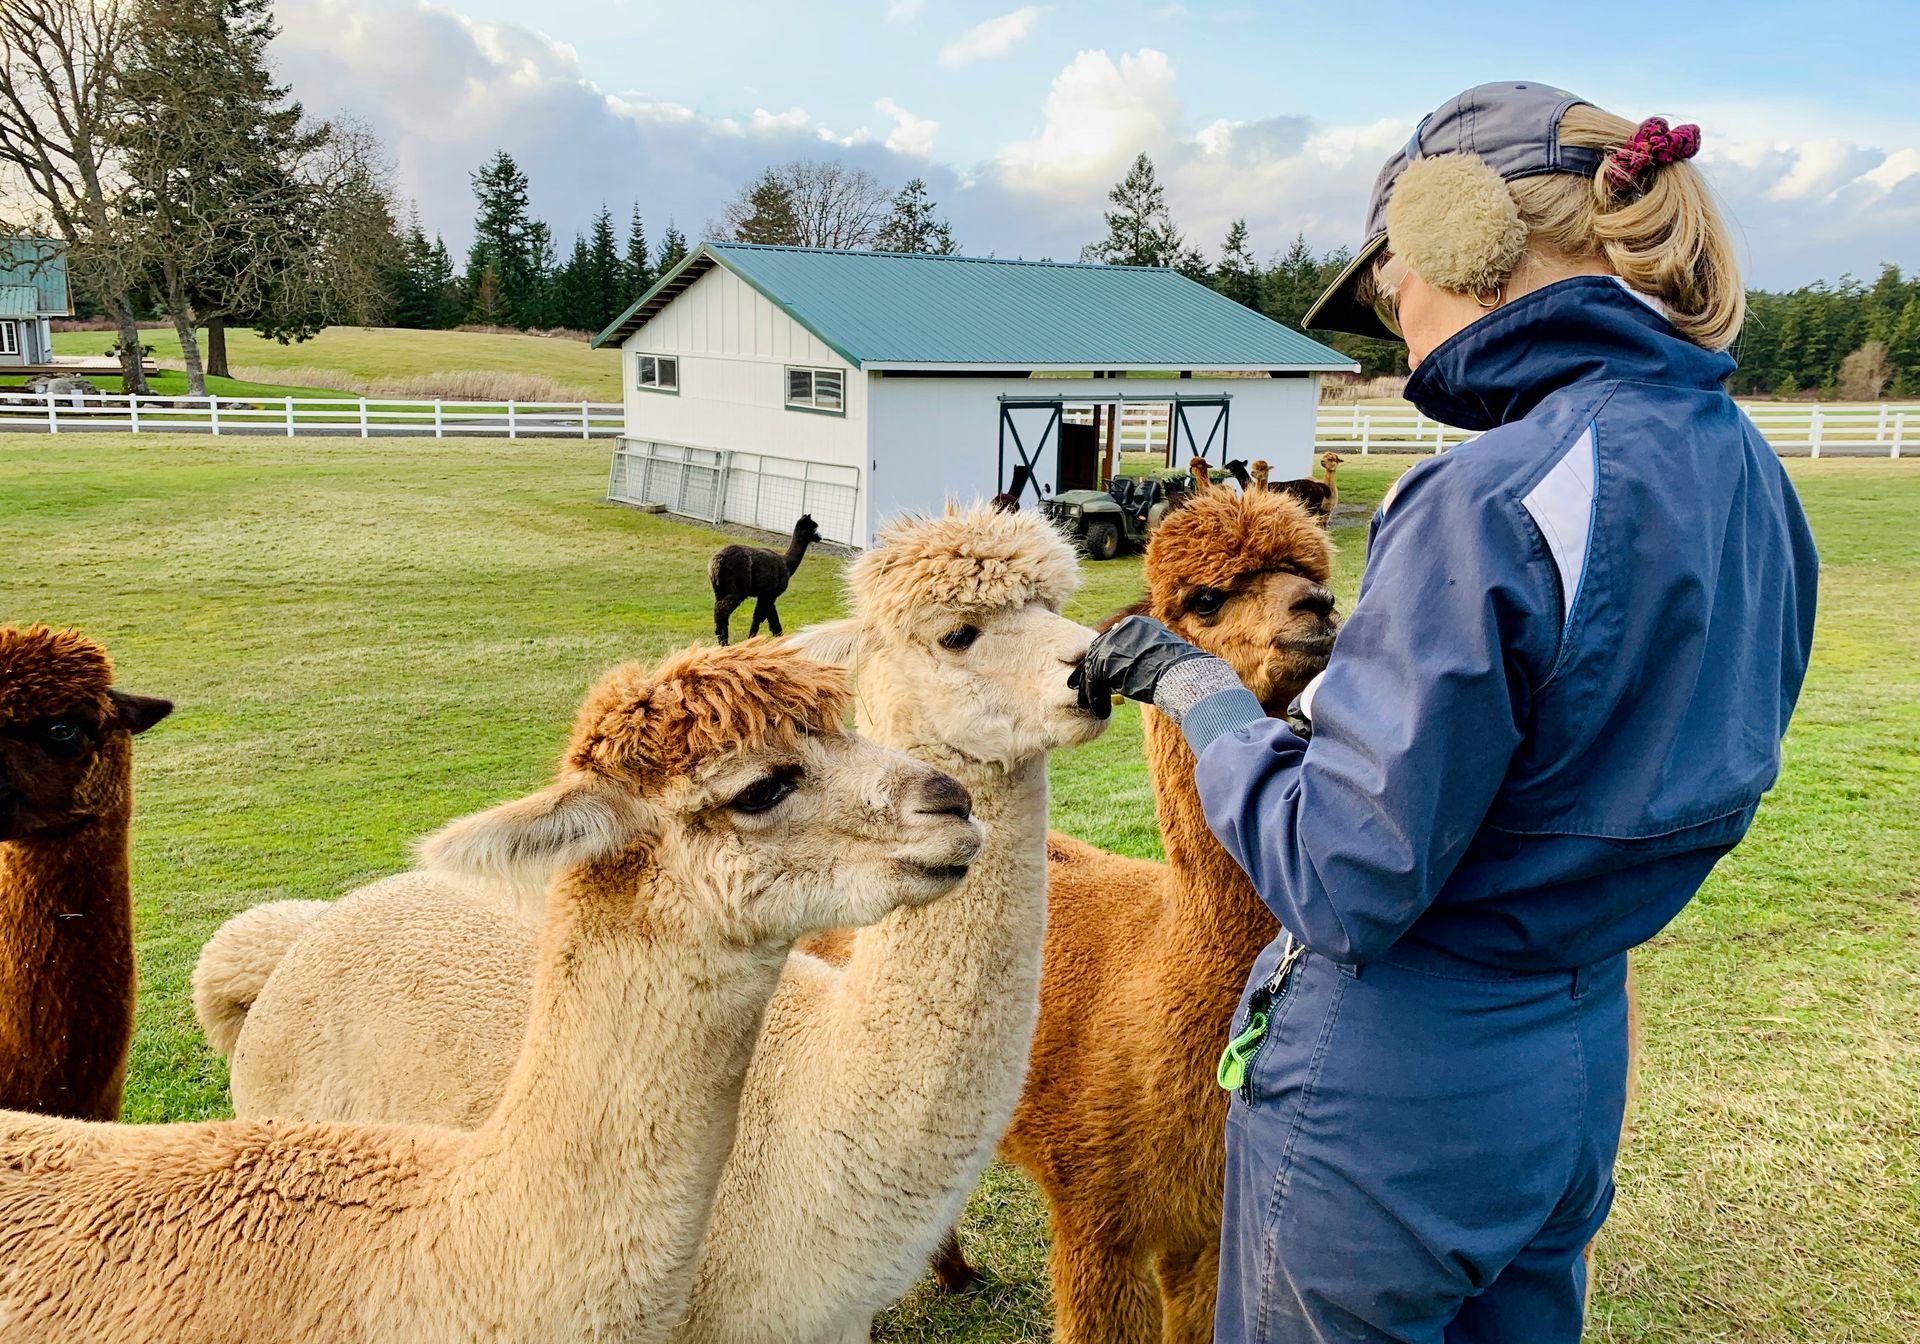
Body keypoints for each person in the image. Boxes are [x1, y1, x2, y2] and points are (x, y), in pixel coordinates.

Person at [1072, 81, 1818, 1343]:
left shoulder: (1488, 496)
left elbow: (1344, 873)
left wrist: (1203, 698)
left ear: (1455, 232)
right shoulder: (1745, 469)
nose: (1395, 325)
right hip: (1578, 1043)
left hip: (1400, 1074)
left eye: (1386, 291)